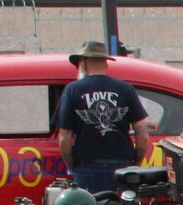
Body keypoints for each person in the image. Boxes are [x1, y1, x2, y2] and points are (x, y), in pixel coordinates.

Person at [54, 40, 151, 195]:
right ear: (106, 64)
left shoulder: (73, 90)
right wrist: (136, 164)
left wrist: (72, 167)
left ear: (83, 64)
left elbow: (64, 137)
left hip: (87, 168)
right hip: (122, 168)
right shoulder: (126, 89)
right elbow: (143, 134)